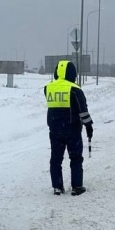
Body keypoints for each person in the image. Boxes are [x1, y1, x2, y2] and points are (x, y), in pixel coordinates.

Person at [44, 60, 94, 196]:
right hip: (72, 129)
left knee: (56, 159)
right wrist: (89, 127)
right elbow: (83, 111)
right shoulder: (75, 89)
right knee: (76, 158)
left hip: (54, 130)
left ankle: (57, 187)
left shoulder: (48, 88)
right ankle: (77, 187)